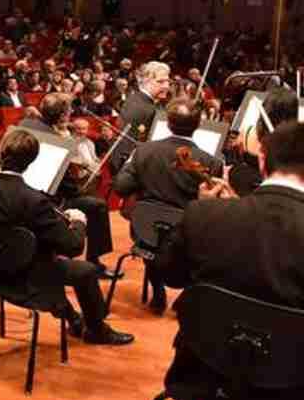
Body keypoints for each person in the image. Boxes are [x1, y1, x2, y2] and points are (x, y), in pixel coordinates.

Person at [154, 121, 304, 400]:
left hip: (204, 373)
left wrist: (208, 214)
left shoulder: (204, 214)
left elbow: (168, 273)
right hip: (292, 391)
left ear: (263, 161)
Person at [0, 130, 134, 345]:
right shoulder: (34, 201)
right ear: (31, 162)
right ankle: (96, 330)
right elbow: (73, 247)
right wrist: (78, 223)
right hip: (24, 277)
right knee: (84, 270)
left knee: (42, 258)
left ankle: (74, 319)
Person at [112, 97, 222, 314]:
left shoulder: (144, 151)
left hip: (144, 230)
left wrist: (132, 165)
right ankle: (185, 297)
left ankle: (158, 292)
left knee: (154, 241)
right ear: (198, 124)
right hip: (187, 237)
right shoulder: (212, 162)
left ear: (168, 123)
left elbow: (121, 187)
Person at [19, 94, 115, 273]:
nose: (71, 113)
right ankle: (94, 261)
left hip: (21, 189)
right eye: (69, 111)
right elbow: (65, 184)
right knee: (98, 205)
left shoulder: (27, 123)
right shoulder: (55, 140)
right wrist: (79, 190)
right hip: (45, 198)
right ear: (62, 116)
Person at [110, 61, 171, 172]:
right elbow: (129, 144)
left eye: (167, 81)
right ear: (147, 81)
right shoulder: (145, 108)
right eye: (161, 82)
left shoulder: (136, 98)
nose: (167, 86)